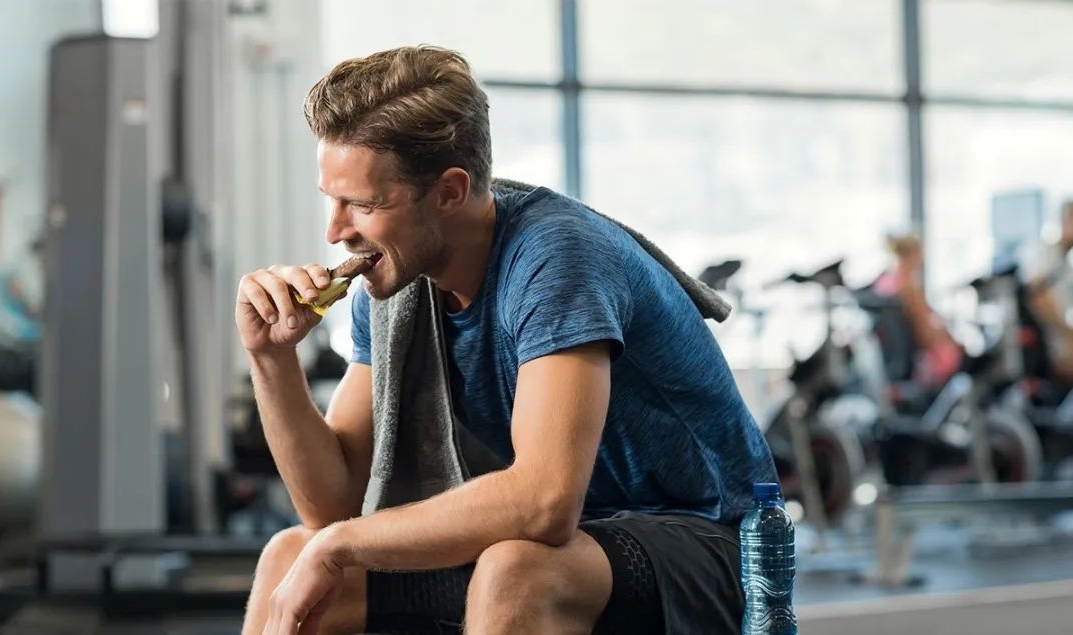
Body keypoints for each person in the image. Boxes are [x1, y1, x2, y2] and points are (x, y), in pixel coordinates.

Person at [236, 46, 776, 635]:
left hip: (716, 541)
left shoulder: (557, 258)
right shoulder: (395, 284)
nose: (335, 232)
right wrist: (271, 356)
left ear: (448, 191)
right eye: (332, 200)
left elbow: (544, 503)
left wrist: (341, 544)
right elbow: (329, 506)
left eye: (364, 205)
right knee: (292, 556)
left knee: (518, 569)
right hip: (581, 540)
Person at [873, 233, 963, 389]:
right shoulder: (908, 289)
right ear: (914, 255)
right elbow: (924, 333)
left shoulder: (884, 282)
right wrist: (951, 339)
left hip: (892, 359)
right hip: (920, 360)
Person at [1026, 200, 1073, 385]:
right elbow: (1038, 297)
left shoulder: (1064, 262)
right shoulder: (1047, 255)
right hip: (1050, 349)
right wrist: (1068, 335)